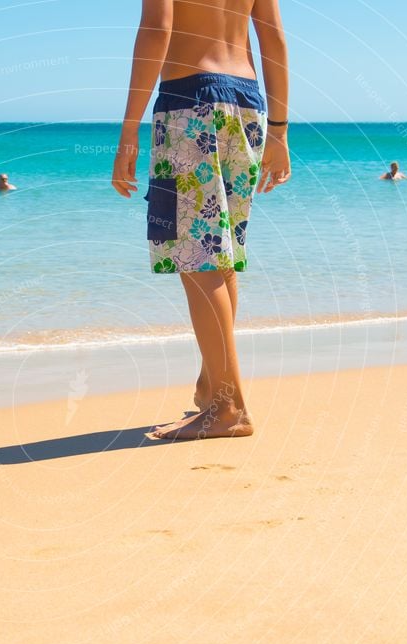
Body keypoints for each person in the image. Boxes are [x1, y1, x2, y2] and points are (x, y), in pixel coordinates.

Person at [111, 0, 291, 440]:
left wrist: (128, 129)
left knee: (197, 256)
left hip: (188, 103)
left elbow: (157, 28)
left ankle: (229, 407)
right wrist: (281, 131)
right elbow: (273, 37)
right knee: (220, 253)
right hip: (248, 104)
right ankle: (214, 386)